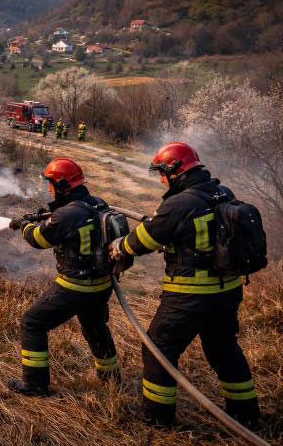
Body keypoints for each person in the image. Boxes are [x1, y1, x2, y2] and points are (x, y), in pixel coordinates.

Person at [109, 142, 260, 427]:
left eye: (162, 174)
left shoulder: (180, 203)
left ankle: (156, 418)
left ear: (174, 171)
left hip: (191, 294)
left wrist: (120, 246)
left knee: (159, 348)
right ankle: (246, 413)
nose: (161, 180)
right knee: (223, 349)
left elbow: (145, 240)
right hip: (227, 291)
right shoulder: (221, 192)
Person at [8, 158, 120, 396]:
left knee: (32, 322)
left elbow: (39, 239)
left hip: (75, 287)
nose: (49, 188)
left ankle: (34, 384)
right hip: (100, 285)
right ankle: (111, 379)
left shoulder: (69, 214)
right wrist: (46, 216)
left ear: (61, 185)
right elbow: (66, 221)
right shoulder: (98, 204)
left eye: (51, 184)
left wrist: (26, 225)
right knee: (95, 327)